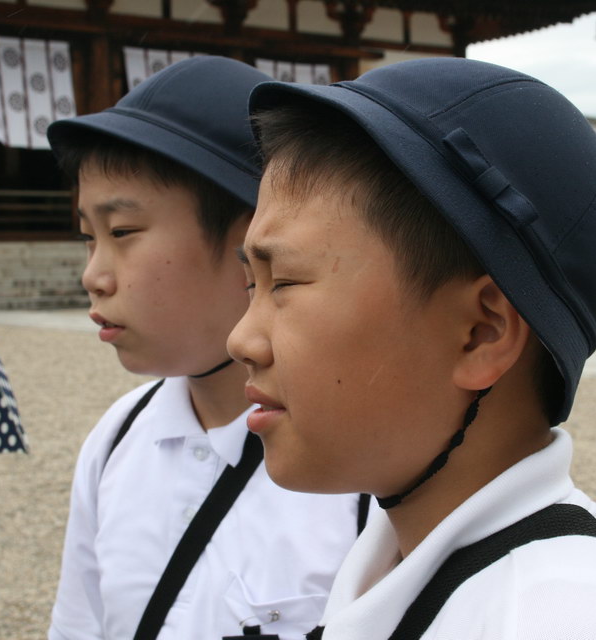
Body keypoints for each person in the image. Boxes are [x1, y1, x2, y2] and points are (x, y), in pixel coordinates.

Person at [228, 58, 596, 639]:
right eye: (252, 285)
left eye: (285, 283)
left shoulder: (558, 622)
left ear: (481, 333)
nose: (240, 340)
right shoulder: (397, 553)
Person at [45, 56, 366, 640]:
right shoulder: (117, 440)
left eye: (122, 233)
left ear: (255, 240)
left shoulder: (359, 472)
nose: (93, 276)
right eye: (89, 238)